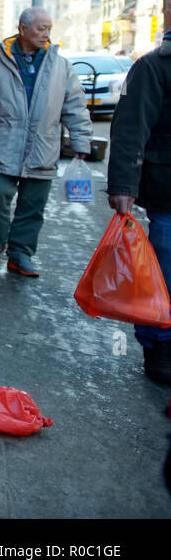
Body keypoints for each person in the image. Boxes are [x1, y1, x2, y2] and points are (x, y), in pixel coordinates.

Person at [0, 7, 92, 276]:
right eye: (41, 28)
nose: (46, 34)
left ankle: (20, 253)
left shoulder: (61, 66)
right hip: (3, 143)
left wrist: (81, 141)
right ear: (22, 29)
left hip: (43, 147)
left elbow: (75, 105)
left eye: (49, 29)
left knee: (33, 205)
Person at [107, 30, 171, 385]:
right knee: (163, 275)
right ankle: (159, 345)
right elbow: (131, 126)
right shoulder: (153, 66)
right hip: (166, 192)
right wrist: (122, 185)